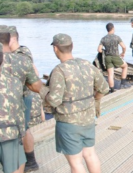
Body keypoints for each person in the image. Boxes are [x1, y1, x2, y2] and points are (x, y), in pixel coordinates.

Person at [39, 33, 109, 173]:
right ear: (72, 47)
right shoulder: (87, 65)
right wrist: (95, 99)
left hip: (68, 122)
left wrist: (42, 90)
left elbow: (54, 100)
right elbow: (104, 88)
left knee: (76, 163)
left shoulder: (60, 70)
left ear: (55, 49)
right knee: (90, 154)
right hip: (88, 118)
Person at [8, 26, 44, 172]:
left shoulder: (20, 54)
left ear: (12, 39)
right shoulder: (23, 51)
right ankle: (29, 161)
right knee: (23, 129)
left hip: (21, 97)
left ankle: (28, 161)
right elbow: (35, 71)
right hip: (18, 96)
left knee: (22, 130)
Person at [0, 42, 26, 173]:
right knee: (14, 167)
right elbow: (19, 111)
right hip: (9, 132)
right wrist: (21, 133)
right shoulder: (14, 82)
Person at [98, 23, 131, 92]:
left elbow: (99, 50)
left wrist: (105, 51)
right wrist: (123, 53)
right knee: (125, 66)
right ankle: (123, 84)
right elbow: (124, 47)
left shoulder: (103, 38)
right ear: (113, 28)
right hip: (115, 56)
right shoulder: (117, 37)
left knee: (110, 74)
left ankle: (112, 89)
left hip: (107, 58)